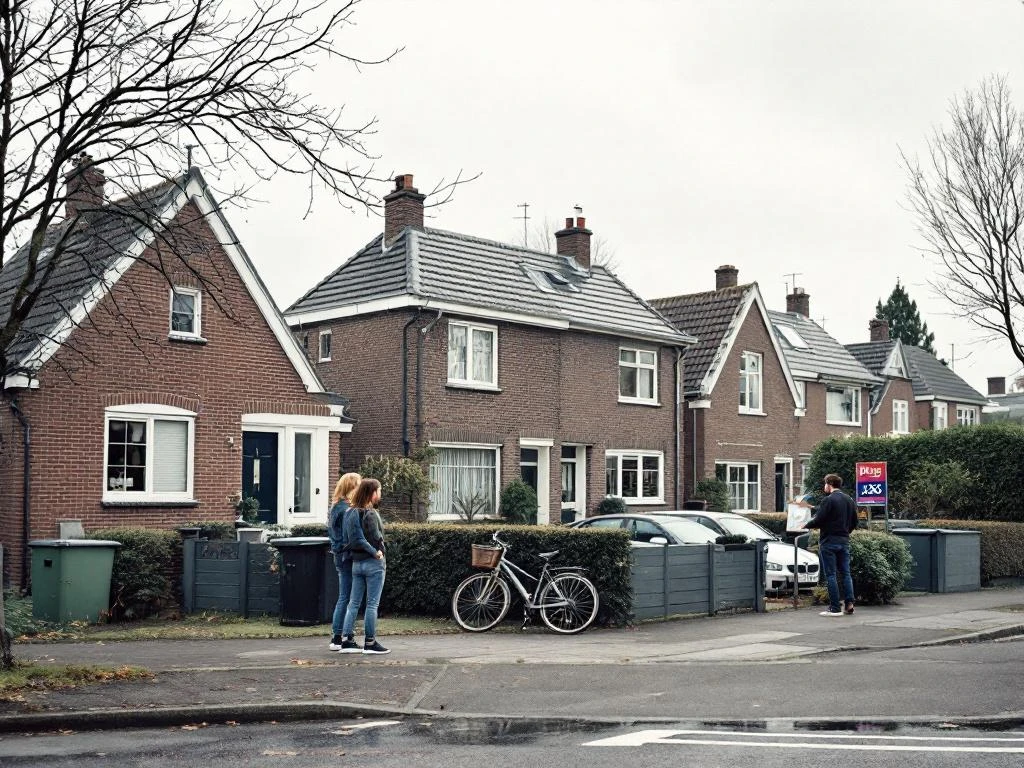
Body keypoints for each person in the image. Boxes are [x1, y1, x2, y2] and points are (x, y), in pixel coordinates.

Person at [797, 473, 858, 617]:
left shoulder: (828, 500)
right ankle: (849, 603)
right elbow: (855, 521)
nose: (824, 486)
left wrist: (805, 524)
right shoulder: (849, 500)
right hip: (844, 541)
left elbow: (819, 519)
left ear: (829, 484)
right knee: (846, 573)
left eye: (825, 483)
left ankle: (835, 607)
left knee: (830, 575)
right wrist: (845, 532)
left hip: (829, 542)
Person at [341, 478, 390, 655]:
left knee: (353, 603)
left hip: (356, 564)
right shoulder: (369, 513)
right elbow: (369, 538)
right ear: (372, 493)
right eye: (379, 490)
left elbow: (351, 539)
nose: (380, 494)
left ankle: (346, 640)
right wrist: (376, 552)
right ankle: (370, 642)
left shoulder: (350, 512)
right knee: (372, 604)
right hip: (372, 564)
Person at [327, 472, 366, 652]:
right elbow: (348, 536)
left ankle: (336, 637)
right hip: (347, 556)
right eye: (358, 486)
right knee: (350, 597)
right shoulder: (346, 510)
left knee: (343, 596)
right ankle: (346, 636)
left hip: (338, 555)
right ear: (352, 488)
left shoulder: (335, 507)